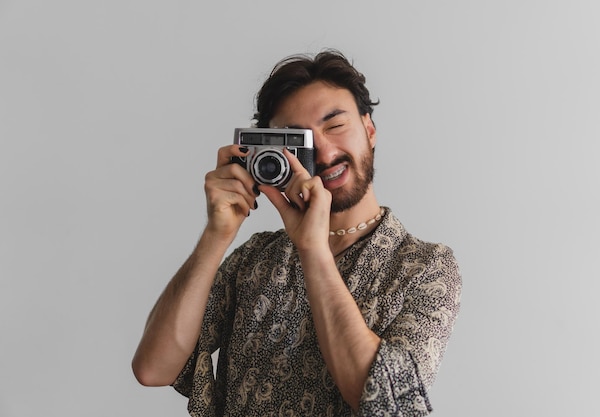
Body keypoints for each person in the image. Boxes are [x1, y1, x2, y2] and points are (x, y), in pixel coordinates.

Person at [132, 49, 462, 417]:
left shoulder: (426, 268)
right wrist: (217, 234)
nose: (322, 151)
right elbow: (153, 368)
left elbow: (384, 403)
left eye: (335, 125)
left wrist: (313, 249)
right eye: (298, 140)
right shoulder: (257, 257)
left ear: (369, 130)